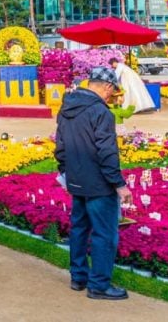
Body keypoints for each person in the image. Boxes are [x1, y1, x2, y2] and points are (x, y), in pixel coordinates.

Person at [54, 66, 133, 301]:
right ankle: (98, 284)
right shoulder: (101, 112)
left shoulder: (67, 107)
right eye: (112, 91)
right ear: (106, 87)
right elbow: (107, 152)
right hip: (99, 184)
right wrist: (119, 184)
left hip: (76, 180)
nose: (112, 96)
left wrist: (65, 173)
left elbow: (60, 146)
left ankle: (78, 277)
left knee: (79, 228)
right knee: (105, 234)